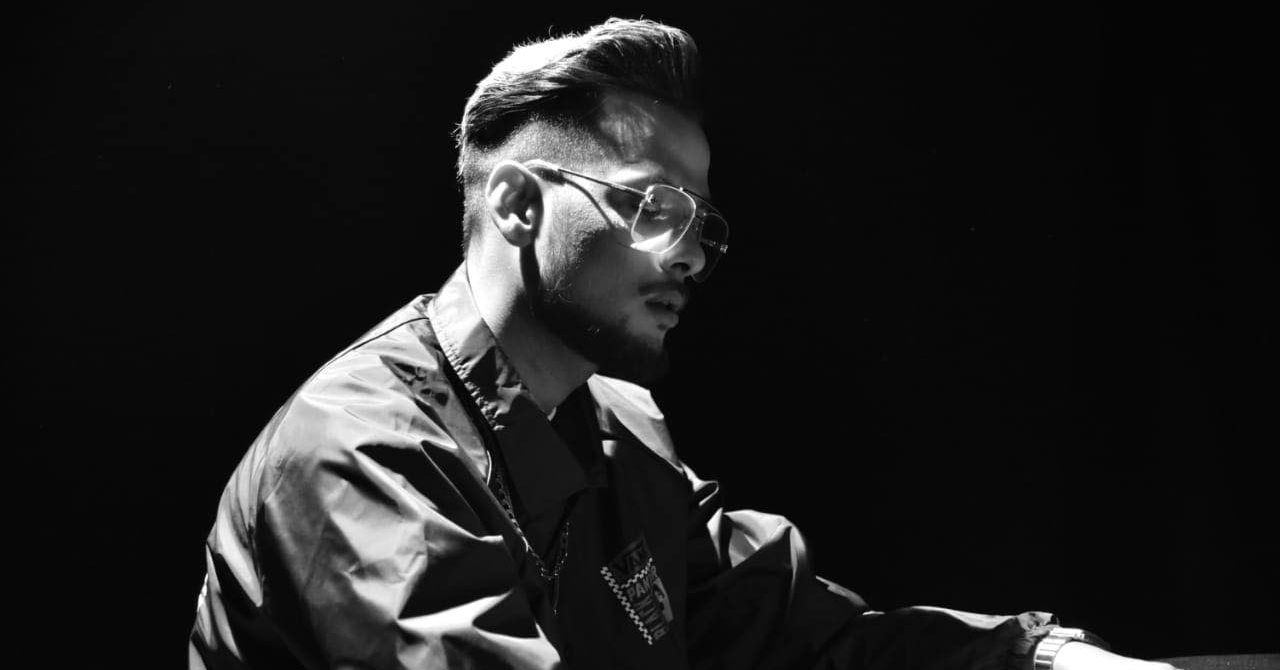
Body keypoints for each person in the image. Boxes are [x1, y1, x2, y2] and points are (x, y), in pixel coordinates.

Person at [189, 18, 1181, 670]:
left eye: (702, 224)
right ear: (520, 204)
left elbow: (801, 637)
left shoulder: (620, 431)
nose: (694, 257)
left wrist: (1039, 658)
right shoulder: (358, 449)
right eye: (656, 209)